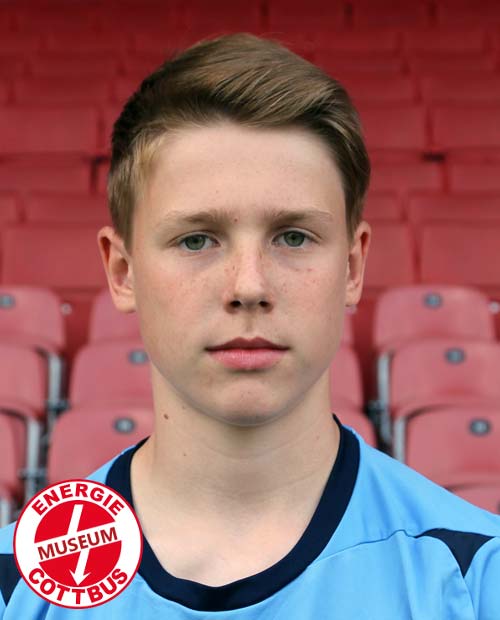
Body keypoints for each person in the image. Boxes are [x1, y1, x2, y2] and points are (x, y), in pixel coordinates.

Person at [1, 33, 500, 618]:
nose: (249, 286)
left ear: (352, 267)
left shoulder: (475, 578)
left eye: (294, 237)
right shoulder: (16, 586)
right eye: (196, 240)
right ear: (122, 272)